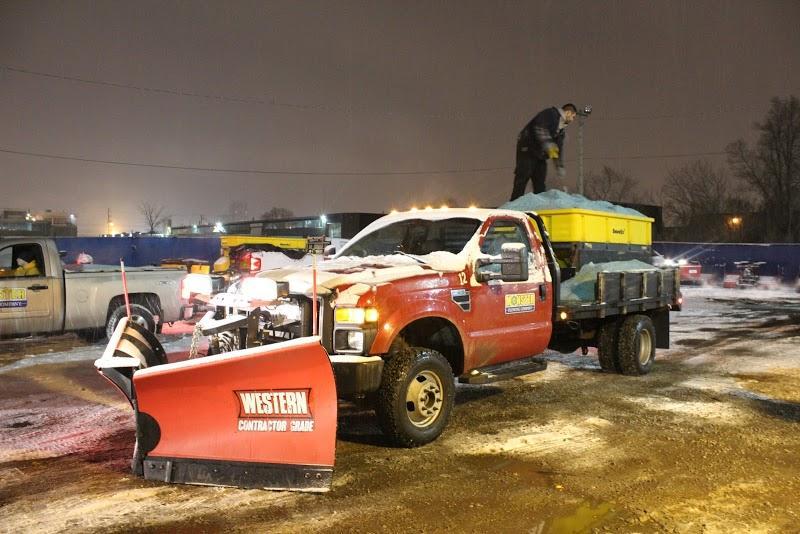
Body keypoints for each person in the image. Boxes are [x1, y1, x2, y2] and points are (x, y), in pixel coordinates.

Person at [510, 103, 578, 200]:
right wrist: (549, 144)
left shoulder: (561, 131)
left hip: (540, 156)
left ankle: (540, 205)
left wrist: (559, 166)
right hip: (528, 149)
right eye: (573, 116)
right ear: (568, 112)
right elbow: (539, 127)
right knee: (523, 177)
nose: (572, 120)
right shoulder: (551, 114)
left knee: (540, 182)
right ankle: (515, 203)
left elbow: (557, 150)